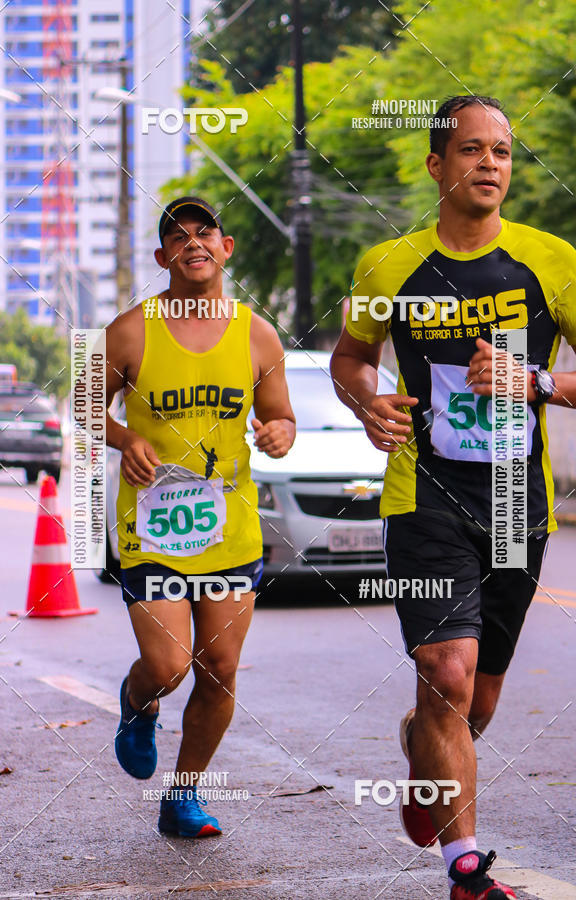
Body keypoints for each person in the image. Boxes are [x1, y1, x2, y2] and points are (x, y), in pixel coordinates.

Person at [330, 96, 576, 899]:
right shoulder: (390, 265)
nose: (491, 164)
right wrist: (365, 400)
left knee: (472, 703)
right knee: (449, 671)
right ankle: (467, 869)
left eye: (504, 152)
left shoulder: (551, 260)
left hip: (518, 502)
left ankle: (423, 746)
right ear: (437, 166)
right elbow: (351, 357)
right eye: (474, 150)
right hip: (425, 495)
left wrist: (538, 380)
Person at [105, 196, 295, 837]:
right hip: (152, 531)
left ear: (226, 247)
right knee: (168, 666)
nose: (193, 241)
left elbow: (281, 416)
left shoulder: (257, 332)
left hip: (229, 529)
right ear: (163, 257)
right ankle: (138, 702)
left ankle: (182, 797)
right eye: (178, 235)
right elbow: (81, 403)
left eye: (205, 231)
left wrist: (279, 434)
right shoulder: (129, 329)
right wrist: (123, 437)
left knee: (220, 670)